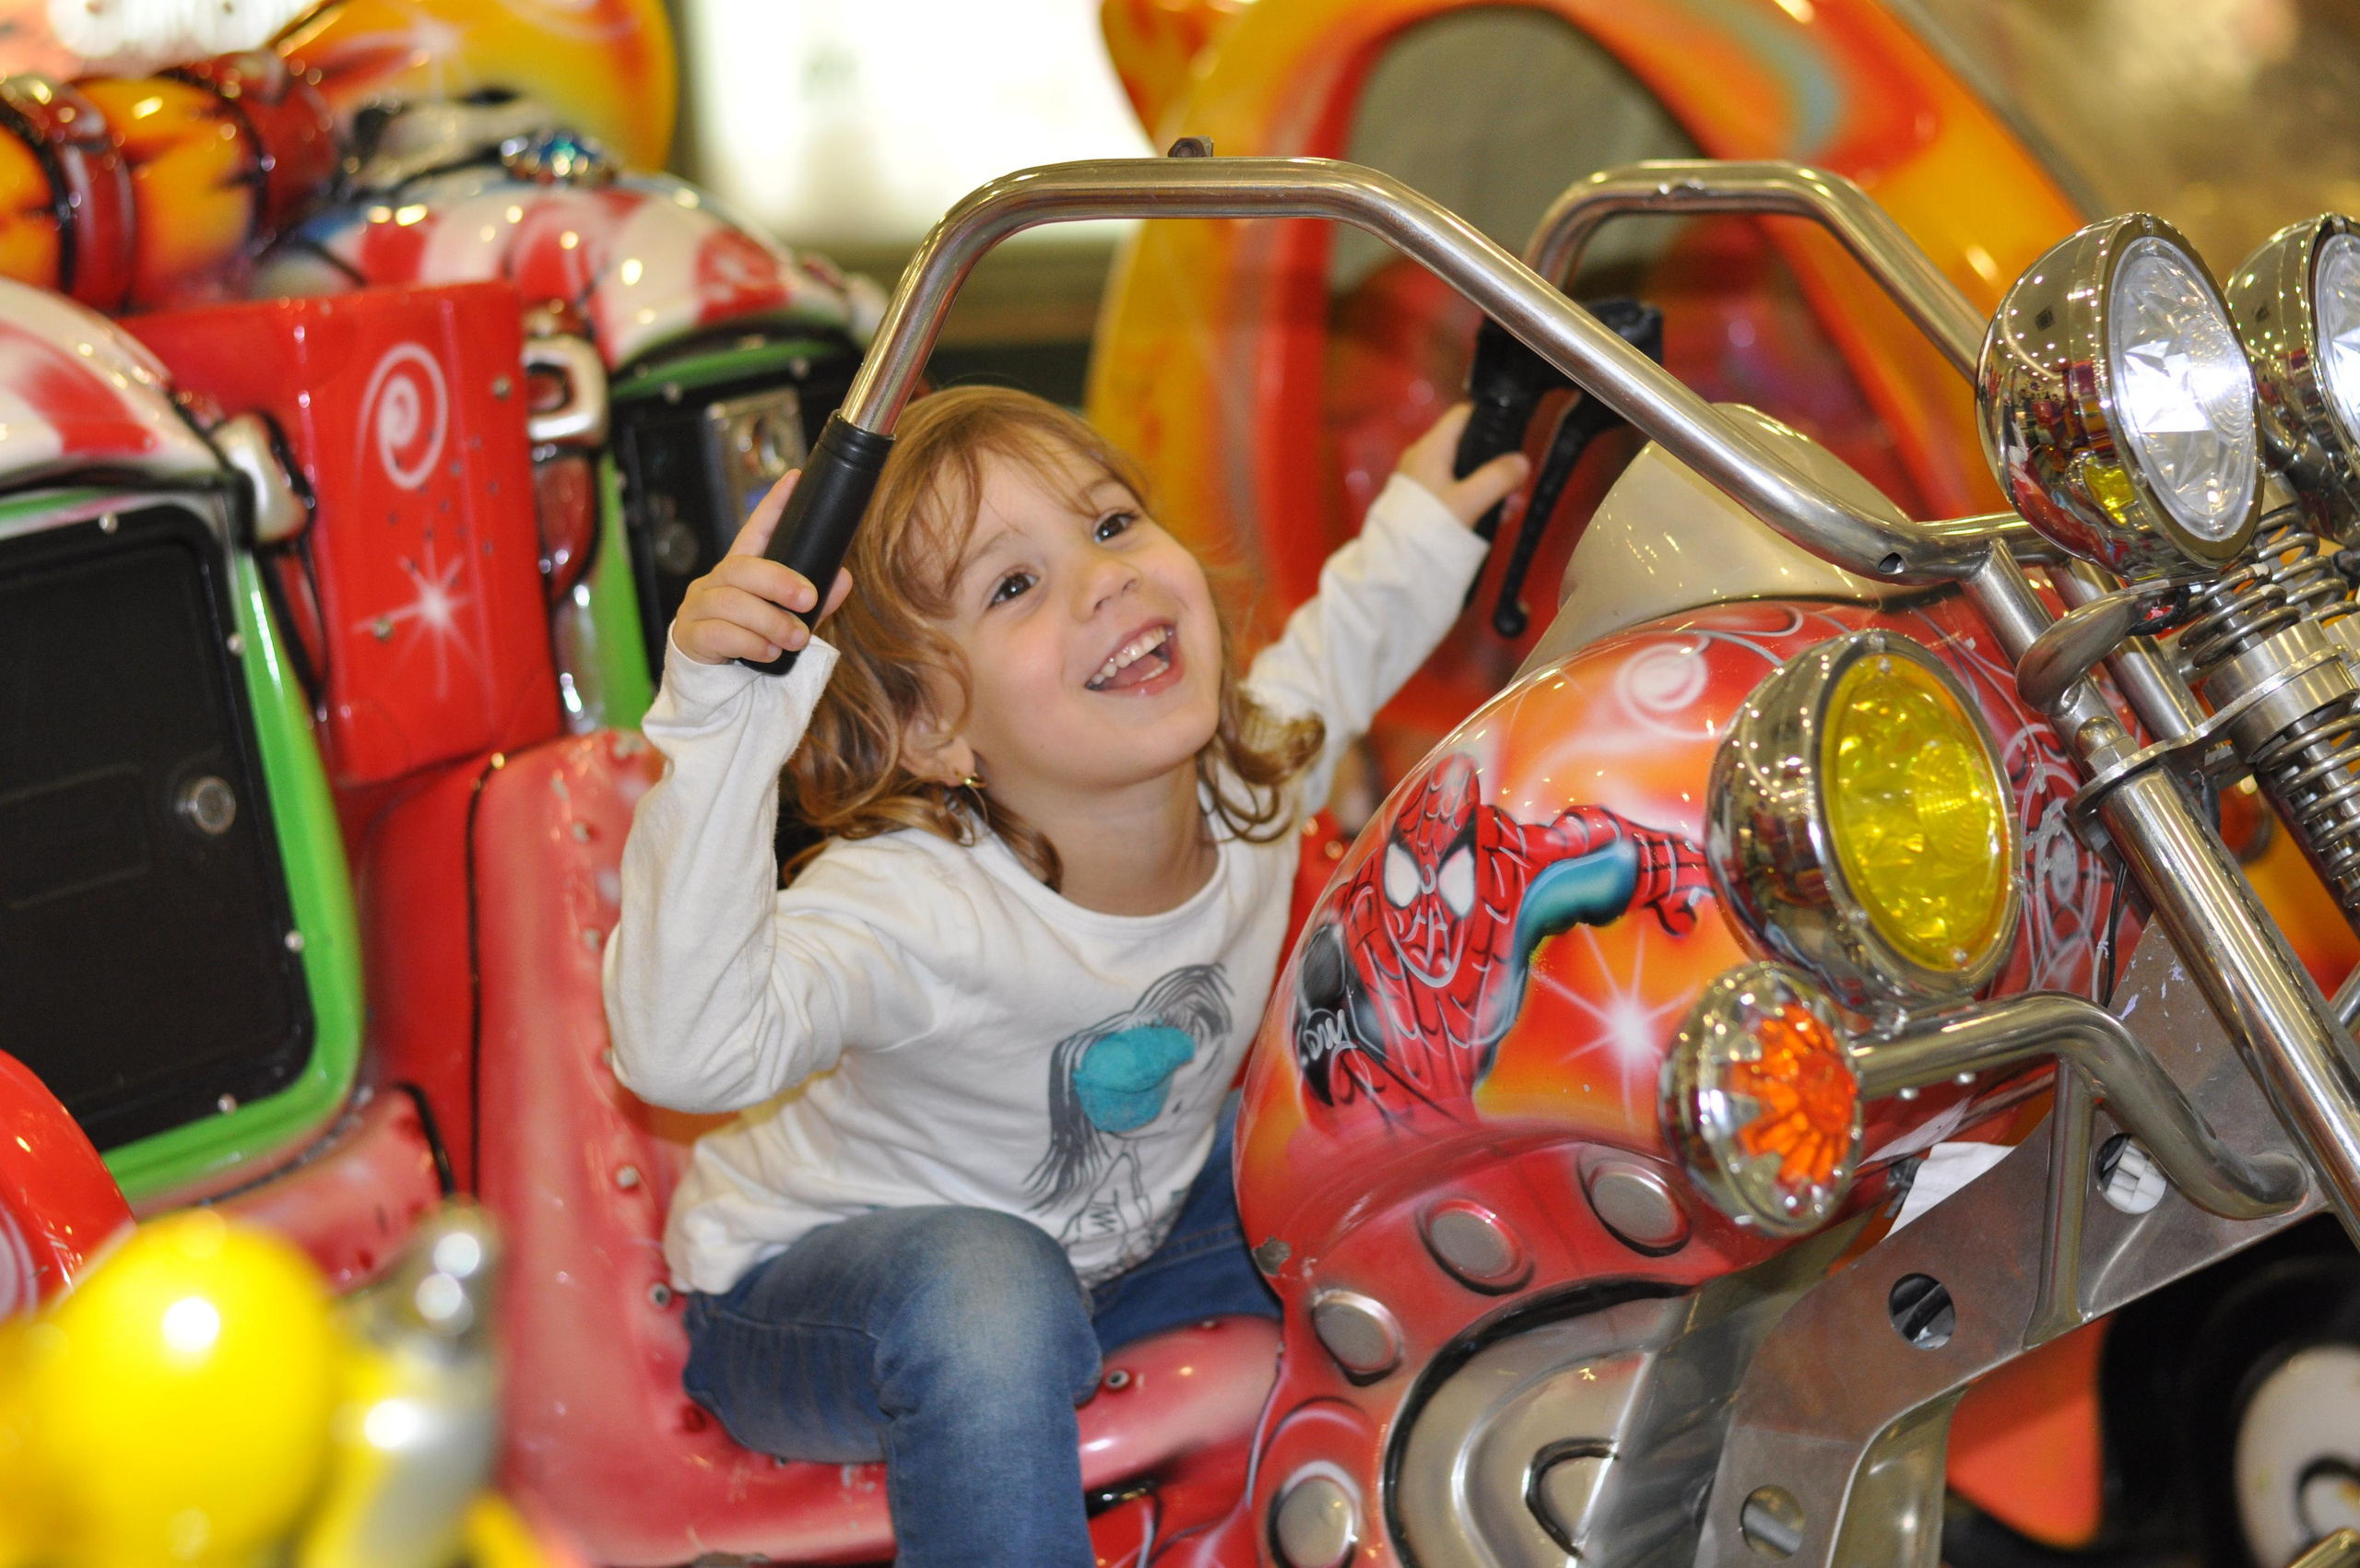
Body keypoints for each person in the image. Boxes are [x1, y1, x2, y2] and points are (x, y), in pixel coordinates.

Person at [602, 384, 1528, 1566]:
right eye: (1014, 586)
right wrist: (722, 723)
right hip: (822, 1303)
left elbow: (1344, 646)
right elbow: (681, 1053)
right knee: (994, 1293)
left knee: (1380, 1151)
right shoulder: (912, 902)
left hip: (1125, 1249)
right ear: (939, 728)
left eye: (1110, 525)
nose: (1108, 580)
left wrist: (1435, 508)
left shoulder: (1246, 783)